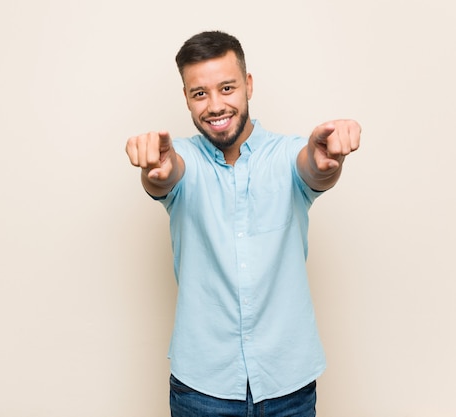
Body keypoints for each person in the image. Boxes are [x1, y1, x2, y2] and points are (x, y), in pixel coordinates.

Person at [125, 31, 361, 417]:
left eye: (227, 88)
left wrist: (325, 162)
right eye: (199, 93)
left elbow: (313, 170)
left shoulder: (288, 154)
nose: (215, 105)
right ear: (186, 98)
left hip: (289, 386)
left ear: (248, 86)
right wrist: (156, 170)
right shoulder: (180, 157)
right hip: (202, 389)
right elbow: (166, 175)